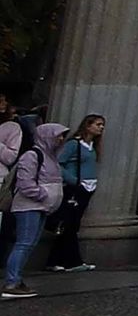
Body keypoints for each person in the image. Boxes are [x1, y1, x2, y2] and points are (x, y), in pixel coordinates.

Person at [1, 120, 53, 298]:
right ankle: (12, 281)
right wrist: (42, 194)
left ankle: (16, 278)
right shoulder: (32, 155)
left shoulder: (49, 156)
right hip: (28, 205)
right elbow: (25, 182)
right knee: (23, 243)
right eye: (58, 136)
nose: (61, 139)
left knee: (28, 244)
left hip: (41, 206)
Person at [47, 117, 102, 270]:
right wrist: (74, 180)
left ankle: (55, 261)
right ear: (88, 125)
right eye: (98, 124)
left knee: (72, 224)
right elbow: (58, 163)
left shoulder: (93, 146)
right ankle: (72, 261)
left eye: (102, 125)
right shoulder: (74, 144)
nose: (101, 128)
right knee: (69, 224)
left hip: (88, 188)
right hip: (76, 187)